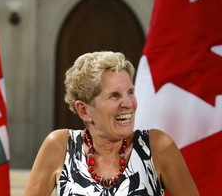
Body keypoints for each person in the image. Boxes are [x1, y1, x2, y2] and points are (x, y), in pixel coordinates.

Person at [25, 51, 199, 196]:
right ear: (84, 110)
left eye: (130, 92)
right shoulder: (59, 146)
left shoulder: (157, 146)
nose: (129, 104)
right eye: (115, 95)